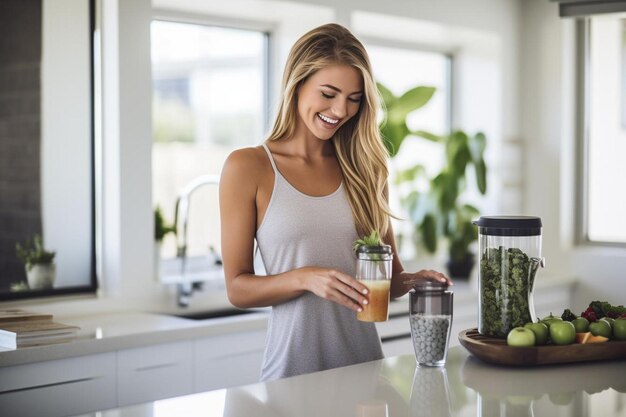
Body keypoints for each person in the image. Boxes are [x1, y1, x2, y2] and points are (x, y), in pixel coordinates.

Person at [219, 23, 451, 382]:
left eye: (354, 98)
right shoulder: (248, 167)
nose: (340, 110)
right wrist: (306, 279)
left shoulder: (367, 170)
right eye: (328, 93)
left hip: (366, 373)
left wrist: (412, 280)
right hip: (291, 379)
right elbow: (237, 287)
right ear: (297, 84)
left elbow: (386, 285)